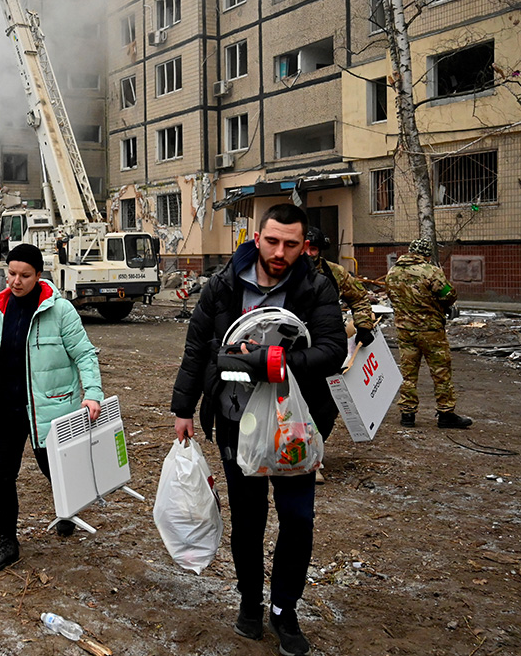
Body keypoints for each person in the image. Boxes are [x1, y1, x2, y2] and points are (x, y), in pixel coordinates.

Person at [171, 204, 345, 656]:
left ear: (303, 244)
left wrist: (275, 363)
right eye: (272, 241)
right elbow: (196, 346)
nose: (280, 252)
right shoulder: (225, 283)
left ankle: (285, 611)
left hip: (291, 428)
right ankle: (250, 601)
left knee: (298, 520)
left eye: (291, 244)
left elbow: (331, 349)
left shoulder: (315, 285)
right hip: (234, 420)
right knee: (248, 521)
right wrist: (183, 407)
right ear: (256, 236)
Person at [0, 243, 103, 572]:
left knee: (53, 468)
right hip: (6, 407)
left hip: (47, 408)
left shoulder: (59, 311)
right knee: (1, 474)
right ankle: (8, 543)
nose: (16, 281)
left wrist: (93, 392)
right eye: (11, 273)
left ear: (39, 276)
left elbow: (84, 354)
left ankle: (67, 509)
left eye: (24, 275)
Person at [304, 227, 377, 484]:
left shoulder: (334, 272)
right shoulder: (283, 271)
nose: (308, 253)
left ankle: (314, 452)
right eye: (304, 247)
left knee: (325, 406)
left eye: (313, 249)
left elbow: (359, 298)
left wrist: (364, 325)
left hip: (328, 347)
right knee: (293, 404)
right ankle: (300, 457)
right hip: (294, 350)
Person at [385, 237, 472, 429]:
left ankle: (407, 414)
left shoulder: (392, 272)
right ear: (426, 254)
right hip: (431, 331)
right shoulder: (431, 271)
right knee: (441, 373)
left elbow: (391, 296)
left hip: (405, 331)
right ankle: (445, 413)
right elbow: (449, 295)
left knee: (408, 373)